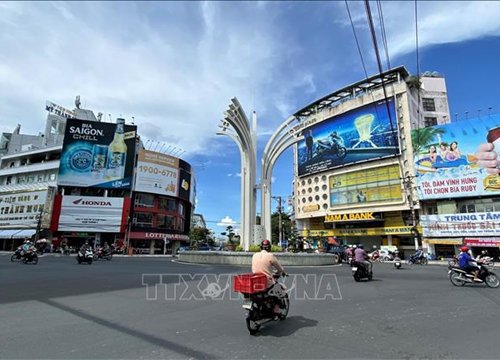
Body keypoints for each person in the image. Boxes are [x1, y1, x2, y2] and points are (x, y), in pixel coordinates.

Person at [252, 239, 286, 315]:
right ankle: (276, 309)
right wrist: (283, 272)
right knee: (279, 290)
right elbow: (279, 268)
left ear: (261, 248)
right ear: (269, 248)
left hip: (255, 281)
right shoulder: (270, 256)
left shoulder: (255, 255)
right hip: (266, 282)